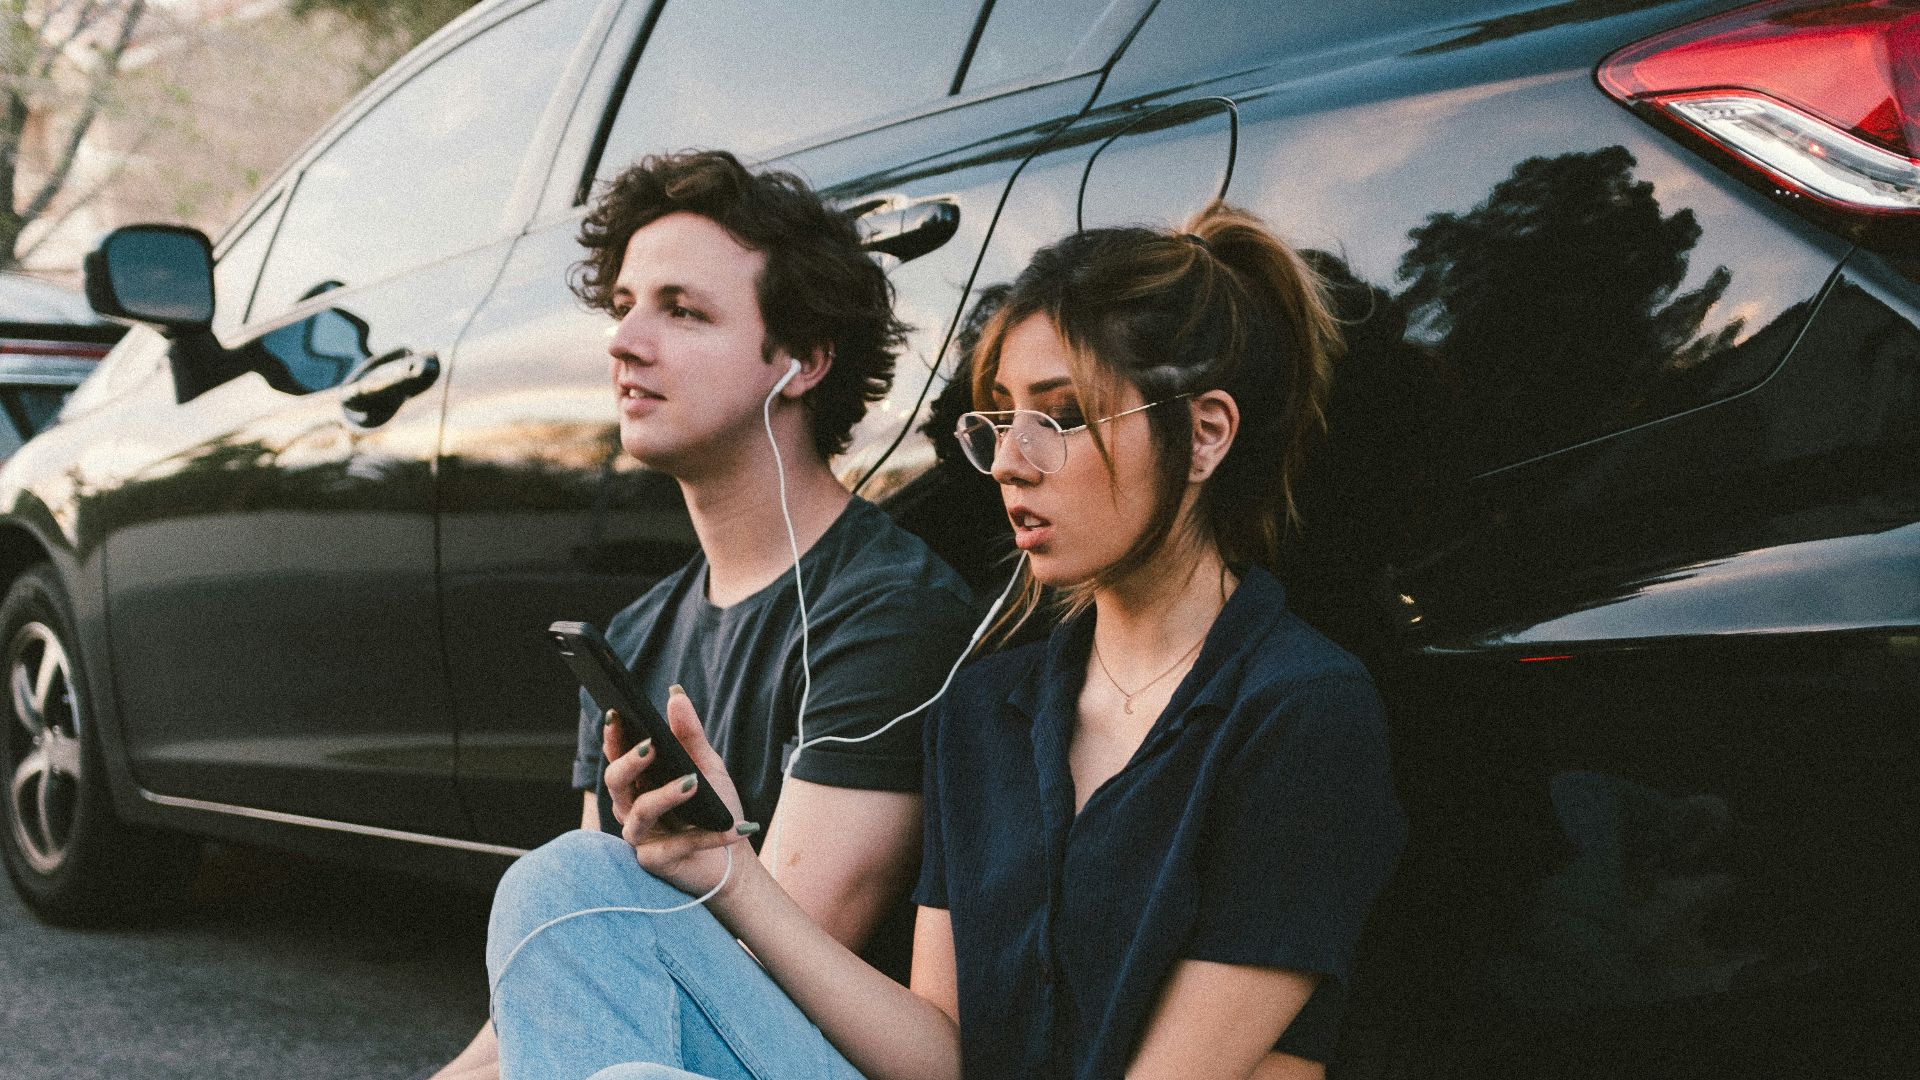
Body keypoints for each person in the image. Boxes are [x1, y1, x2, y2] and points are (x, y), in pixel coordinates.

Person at [484, 200, 1407, 1080]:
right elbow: (940, 1053)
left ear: (1205, 434)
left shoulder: (1301, 710)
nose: (1010, 459)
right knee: (564, 884)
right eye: (1001, 416)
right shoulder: (984, 705)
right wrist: (728, 874)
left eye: (1064, 416)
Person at [430, 151, 978, 1080]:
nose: (626, 342)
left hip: (817, 1048)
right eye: (626, 307)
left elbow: (772, 959)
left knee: (566, 880)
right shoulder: (639, 635)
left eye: (683, 311)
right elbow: (568, 969)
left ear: (802, 363)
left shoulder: (888, 610)